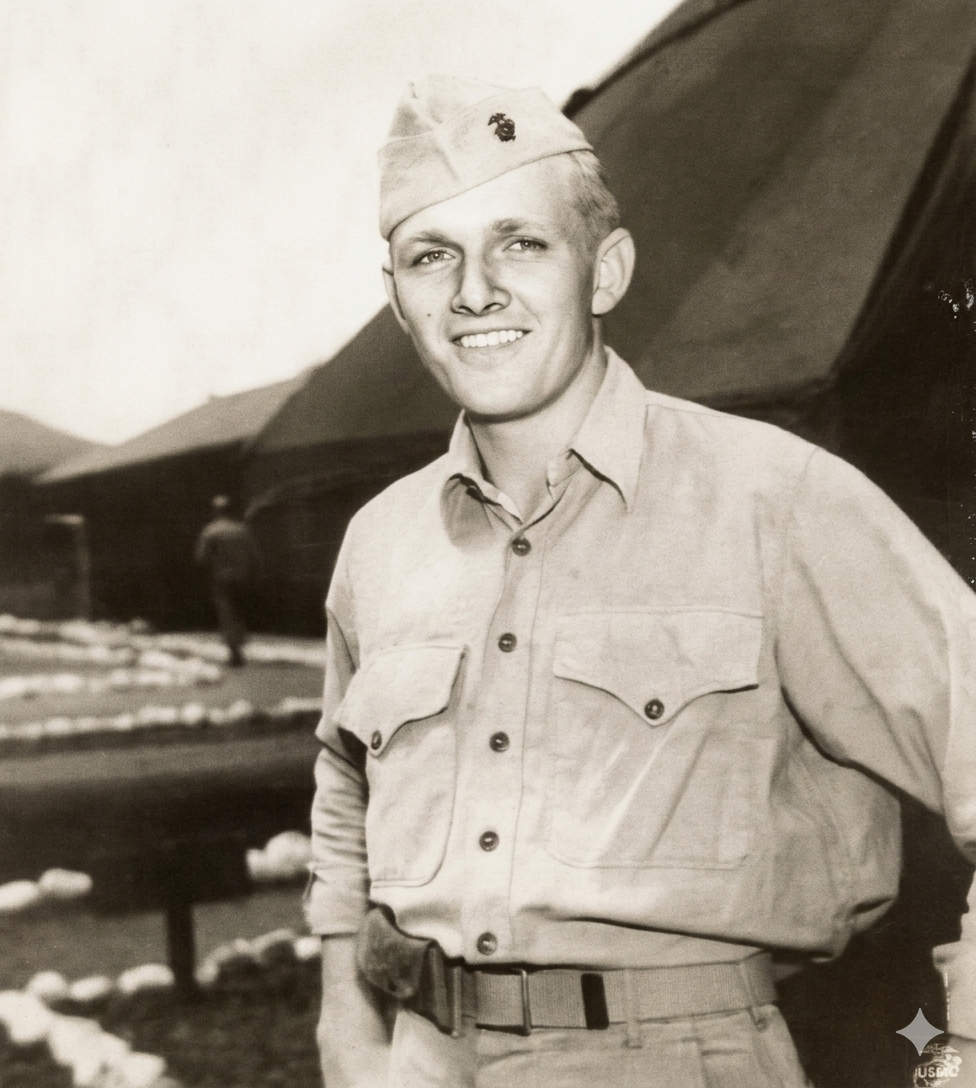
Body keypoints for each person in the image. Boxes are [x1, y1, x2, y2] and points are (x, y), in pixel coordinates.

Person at [305, 75, 976, 1087]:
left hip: (677, 1053)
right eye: (430, 256)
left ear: (605, 269)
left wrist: (964, 1035)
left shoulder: (773, 496)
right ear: (397, 296)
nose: (473, 289)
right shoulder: (381, 540)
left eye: (520, 243)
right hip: (423, 1054)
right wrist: (344, 1022)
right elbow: (346, 779)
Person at [194, 495, 258, 667]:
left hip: (222, 578)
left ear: (215, 511)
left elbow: (201, 558)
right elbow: (253, 555)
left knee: (227, 613)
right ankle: (240, 645)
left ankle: (234, 652)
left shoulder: (211, 531)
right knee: (240, 612)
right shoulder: (242, 529)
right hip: (242, 577)